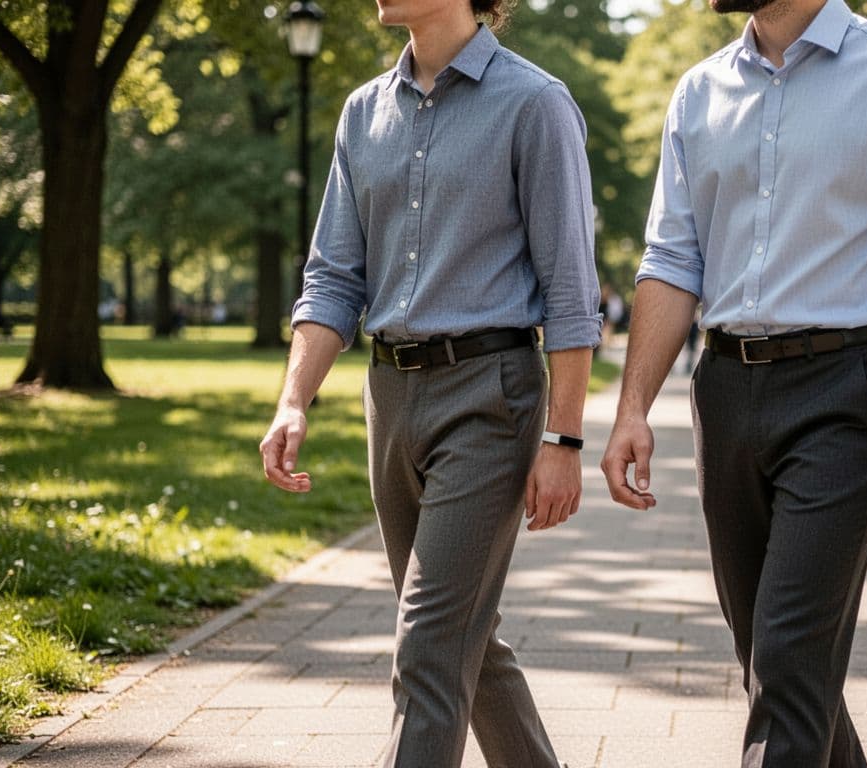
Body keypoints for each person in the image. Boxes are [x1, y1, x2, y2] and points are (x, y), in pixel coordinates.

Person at [600, 0, 867, 765]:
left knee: (784, 658)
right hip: (725, 391)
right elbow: (672, 259)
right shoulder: (699, 91)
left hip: (845, 390)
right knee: (773, 661)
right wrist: (632, 408)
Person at [259, 0, 601, 765]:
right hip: (390, 397)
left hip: (491, 394)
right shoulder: (362, 112)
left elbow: (572, 293)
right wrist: (293, 400)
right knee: (460, 639)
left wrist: (564, 437)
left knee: (428, 645)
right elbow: (332, 280)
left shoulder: (534, 103)